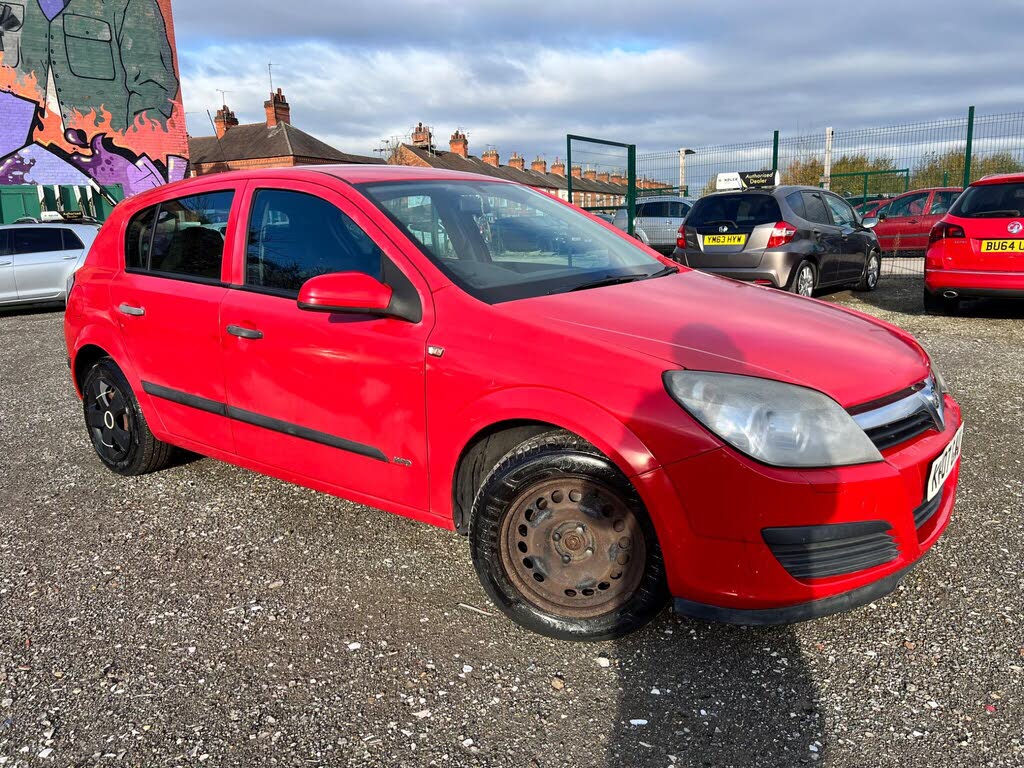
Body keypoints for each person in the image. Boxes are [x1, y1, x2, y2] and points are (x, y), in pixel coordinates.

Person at [11, 0, 180, 132]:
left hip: (104, 150)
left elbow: (154, 86)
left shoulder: (130, 4)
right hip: (25, 152)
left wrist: (132, 149)